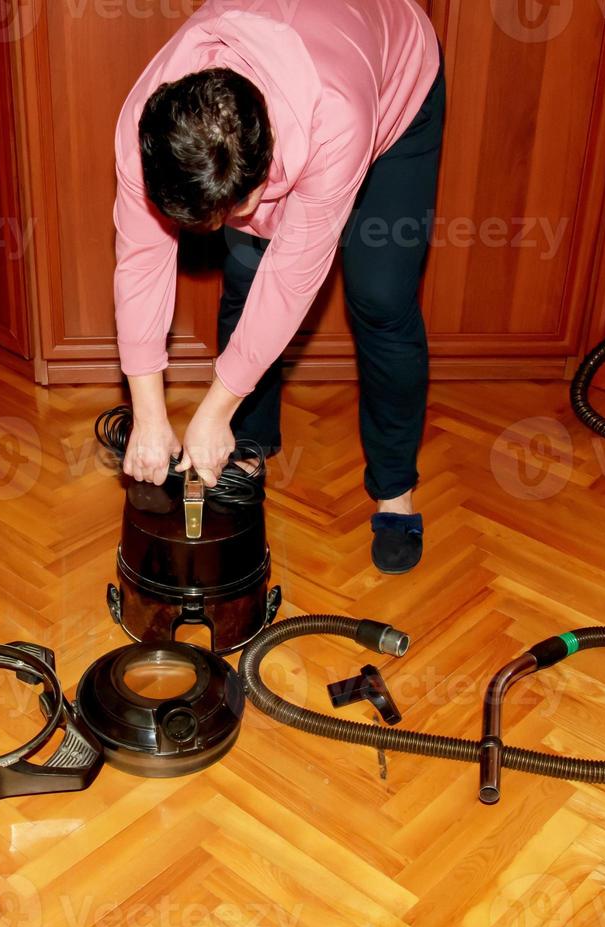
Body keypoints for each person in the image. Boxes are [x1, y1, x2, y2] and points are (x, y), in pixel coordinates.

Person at [113, 0, 444, 574]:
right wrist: (147, 412)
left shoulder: (336, 119)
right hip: (297, 74)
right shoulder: (147, 121)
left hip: (391, 86)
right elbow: (142, 257)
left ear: (264, 171)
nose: (213, 232)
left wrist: (210, 411)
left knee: (381, 297)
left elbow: (292, 280)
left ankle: (395, 489)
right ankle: (247, 446)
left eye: (226, 212)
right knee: (243, 275)